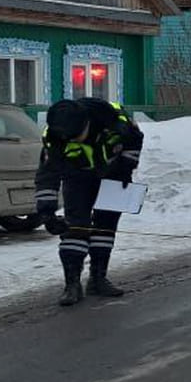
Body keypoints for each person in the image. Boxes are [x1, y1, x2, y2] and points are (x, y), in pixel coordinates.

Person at [35, 98, 144, 306]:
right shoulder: (55, 137)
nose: (73, 141)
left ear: (86, 123)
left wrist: (126, 166)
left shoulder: (115, 122)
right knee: (75, 228)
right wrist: (46, 212)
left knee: (106, 227)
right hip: (77, 177)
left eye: (77, 137)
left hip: (114, 175)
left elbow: (135, 140)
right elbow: (47, 176)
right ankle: (72, 284)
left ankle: (98, 279)